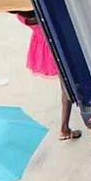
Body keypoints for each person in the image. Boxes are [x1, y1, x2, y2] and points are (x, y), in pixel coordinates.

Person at [10, 10, 81, 141]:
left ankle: (65, 128)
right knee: (66, 87)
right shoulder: (41, 14)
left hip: (42, 47)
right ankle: (64, 128)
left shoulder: (21, 15)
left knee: (66, 85)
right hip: (55, 46)